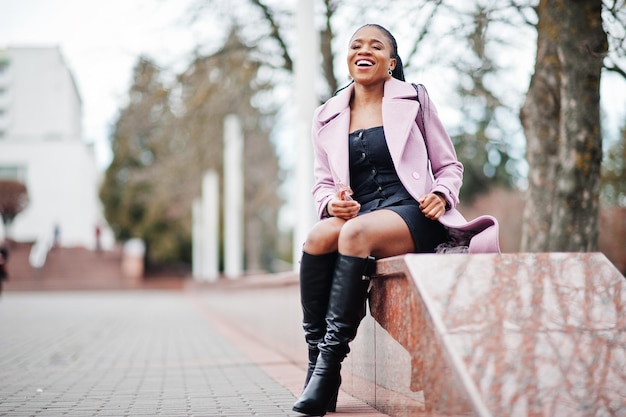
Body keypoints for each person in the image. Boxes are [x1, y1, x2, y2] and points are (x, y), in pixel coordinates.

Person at [292, 24, 500, 416]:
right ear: (348, 58)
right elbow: (322, 183)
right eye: (355, 45)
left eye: (375, 46)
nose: (363, 50)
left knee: (354, 233)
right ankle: (315, 366)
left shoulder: (415, 99)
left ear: (391, 61)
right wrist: (331, 204)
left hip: (412, 212)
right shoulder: (328, 114)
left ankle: (328, 368)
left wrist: (441, 195)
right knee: (317, 237)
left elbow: (448, 165)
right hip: (361, 214)